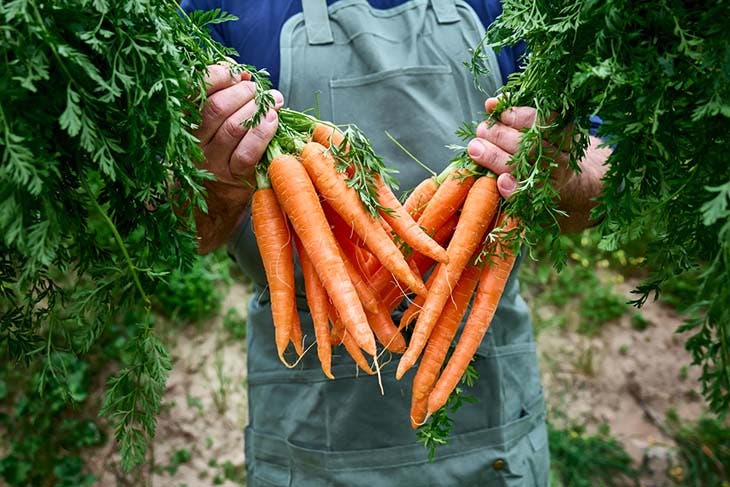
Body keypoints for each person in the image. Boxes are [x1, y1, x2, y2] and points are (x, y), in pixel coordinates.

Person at [180, 0, 611, 485]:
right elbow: (184, 233)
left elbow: (603, 180)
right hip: (310, 416)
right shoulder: (217, 12)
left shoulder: (531, 10)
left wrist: (562, 174)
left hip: (489, 404)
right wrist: (216, 182)